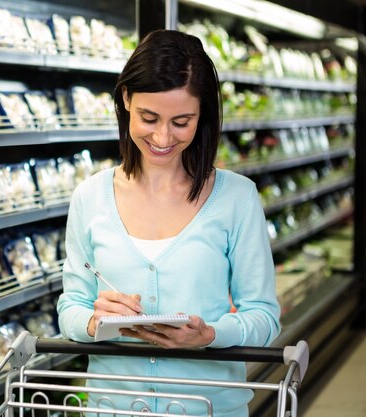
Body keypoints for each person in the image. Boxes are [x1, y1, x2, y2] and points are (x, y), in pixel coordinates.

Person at [57, 29, 281, 417]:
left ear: (202, 116)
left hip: (209, 407)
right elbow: (69, 308)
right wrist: (96, 321)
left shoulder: (237, 199)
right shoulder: (90, 198)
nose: (162, 137)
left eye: (182, 121)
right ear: (126, 99)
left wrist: (209, 334)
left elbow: (263, 316)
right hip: (113, 408)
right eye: (149, 117)